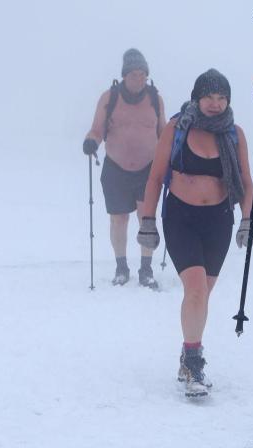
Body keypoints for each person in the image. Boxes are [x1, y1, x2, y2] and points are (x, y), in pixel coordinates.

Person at [136, 69, 253, 398]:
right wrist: (147, 220)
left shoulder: (234, 134)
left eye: (221, 98)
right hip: (181, 218)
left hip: (218, 220)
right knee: (197, 291)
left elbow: (246, 181)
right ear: (196, 98)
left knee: (202, 295)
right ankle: (193, 360)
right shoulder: (177, 128)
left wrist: (246, 220)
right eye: (209, 97)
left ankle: (188, 350)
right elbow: (156, 176)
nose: (215, 104)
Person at [83, 48, 166, 288]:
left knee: (146, 218)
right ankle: (121, 267)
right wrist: (91, 142)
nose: (138, 79)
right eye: (133, 74)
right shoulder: (109, 98)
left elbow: (163, 133)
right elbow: (97, 130)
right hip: (116, 168)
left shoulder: (155, 99)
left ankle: (146, 269)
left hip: (148, 169)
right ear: (124, 75)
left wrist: (170, 155)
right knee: (119, 219)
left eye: (142, 74)